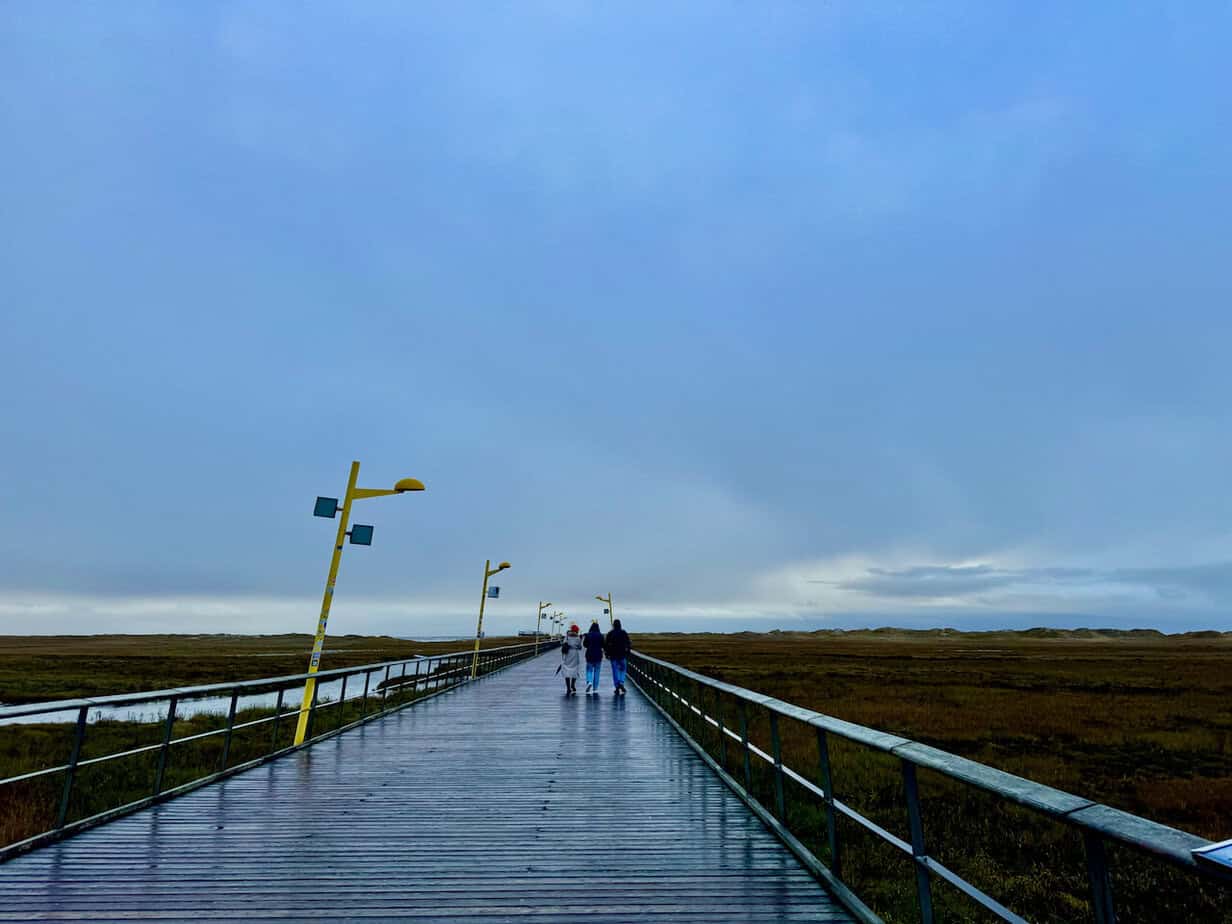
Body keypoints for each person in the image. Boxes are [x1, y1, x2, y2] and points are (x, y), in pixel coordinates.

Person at [604, 618, 632, 695]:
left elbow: (606, 645)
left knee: (615, 670)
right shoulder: (623, 633)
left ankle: (617, 686)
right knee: (623, 669)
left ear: (613, 625)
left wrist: (607, 654)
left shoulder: (610, 633)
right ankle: (621, 682)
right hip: (622, 654)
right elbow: (628, 643)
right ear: (620, 625)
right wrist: (628, 651)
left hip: (613, 655)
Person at [582, 620, 605, 694]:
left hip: (589, 654)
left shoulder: (588, 635)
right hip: (598, 655)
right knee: (597, 672)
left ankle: (589, 681)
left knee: (589, 670)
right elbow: (603, 645)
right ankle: (595, 688)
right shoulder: (601, 635)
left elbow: (585, 645)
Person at [560, 624, 582, 695]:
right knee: (575, 670)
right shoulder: (578, 638)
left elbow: (563, 644)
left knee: (567, 670)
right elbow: (580, 647)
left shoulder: (567, 637)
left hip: (568, 654)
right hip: (575, 654)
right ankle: (573, 684)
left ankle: (568, 687)